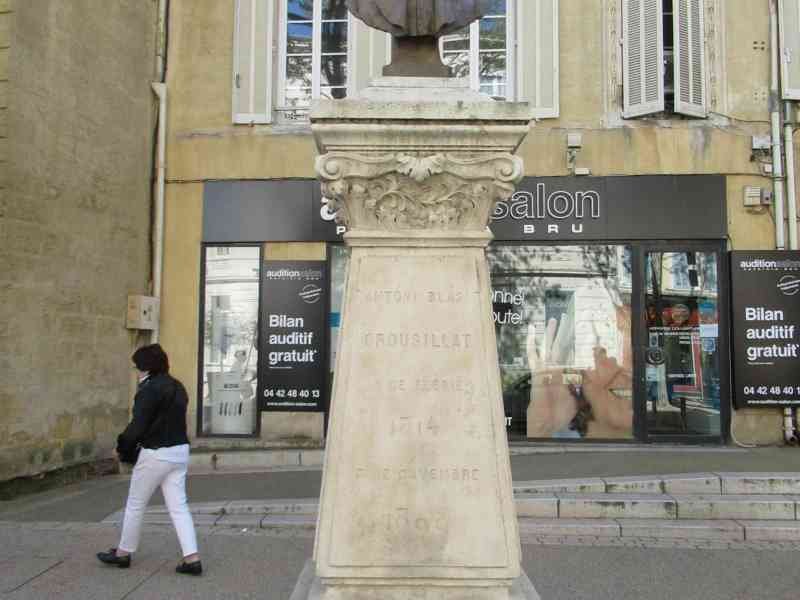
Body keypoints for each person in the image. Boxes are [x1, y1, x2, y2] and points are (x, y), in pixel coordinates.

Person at [97, 344, 202, 575]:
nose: (136, 372)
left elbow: (138, 426)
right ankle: (192, 558)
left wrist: (121, 447)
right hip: (179, 451)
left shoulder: (149, 390)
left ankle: (123, 553)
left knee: (135, 504)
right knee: (179, 507)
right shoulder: (178, 386)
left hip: (156, 453)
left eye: (137, 367)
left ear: (145, 368)